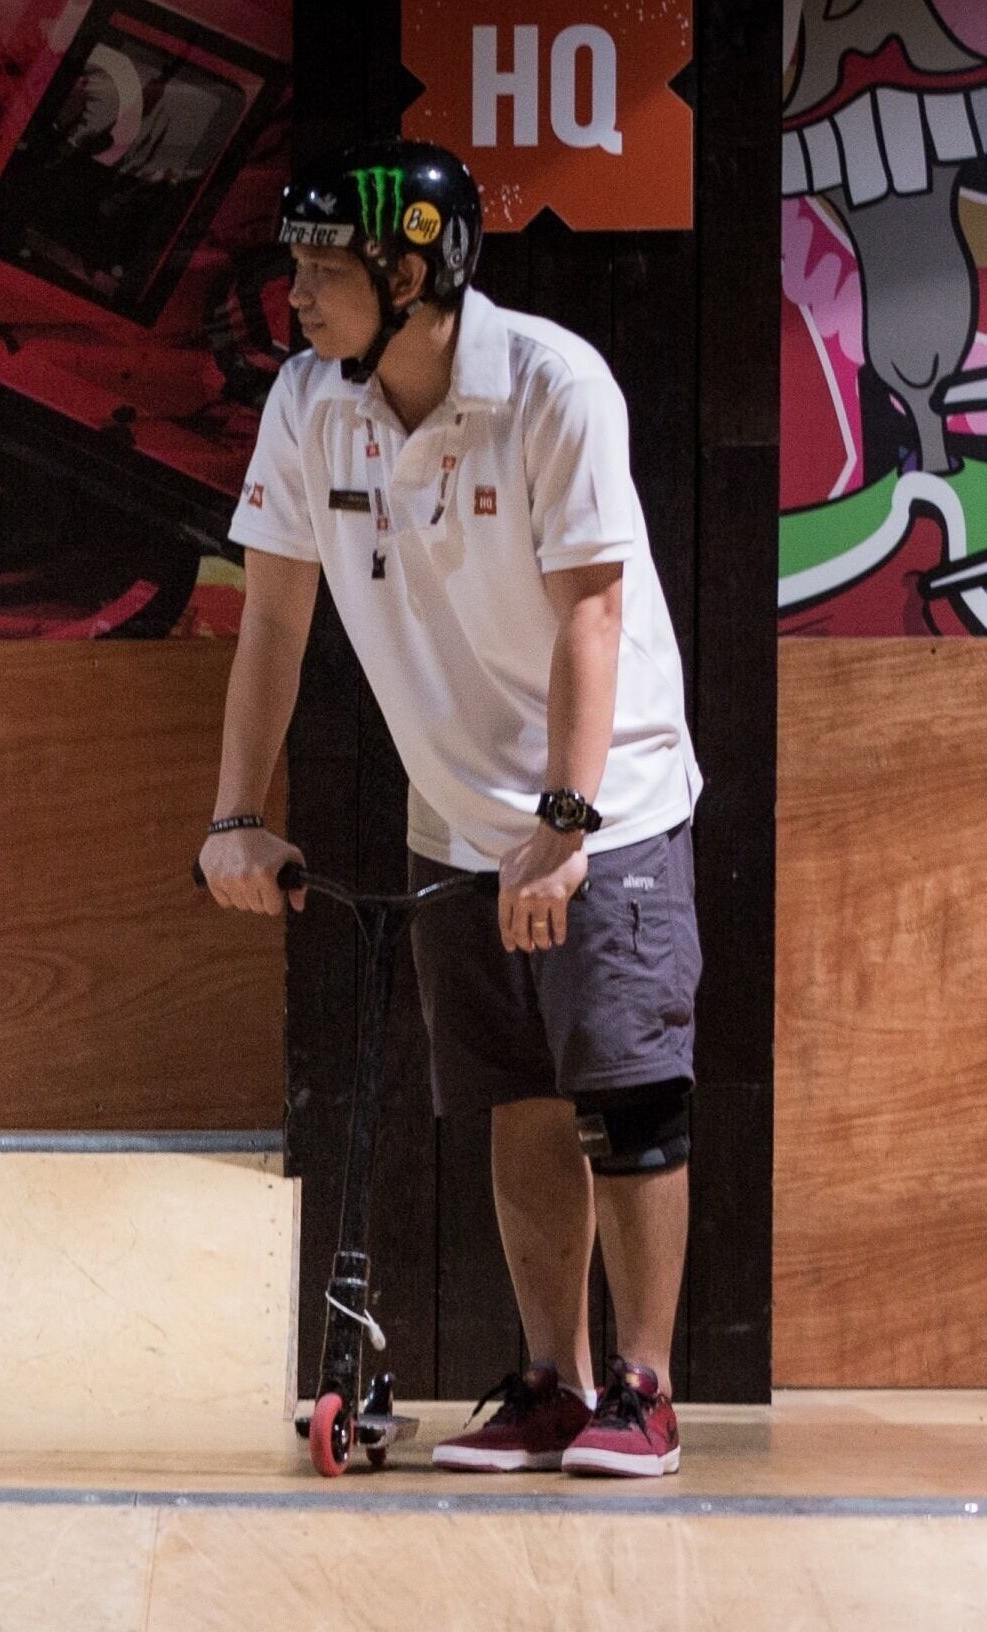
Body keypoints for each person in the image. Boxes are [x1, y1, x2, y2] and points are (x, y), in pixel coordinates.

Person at [199, 140, 706, 1478]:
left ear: (414, 268)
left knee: (630, 1093)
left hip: (611, 794)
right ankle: (554, 1380)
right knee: (518, 1098)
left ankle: (643, 1388)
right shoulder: (311, 404)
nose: (297, 292)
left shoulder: (548, 382)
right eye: (294, 262)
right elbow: (273, 616)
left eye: (324, 265)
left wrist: (569, 816)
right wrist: (231, 813)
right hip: (456, 811)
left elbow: (592, 607)